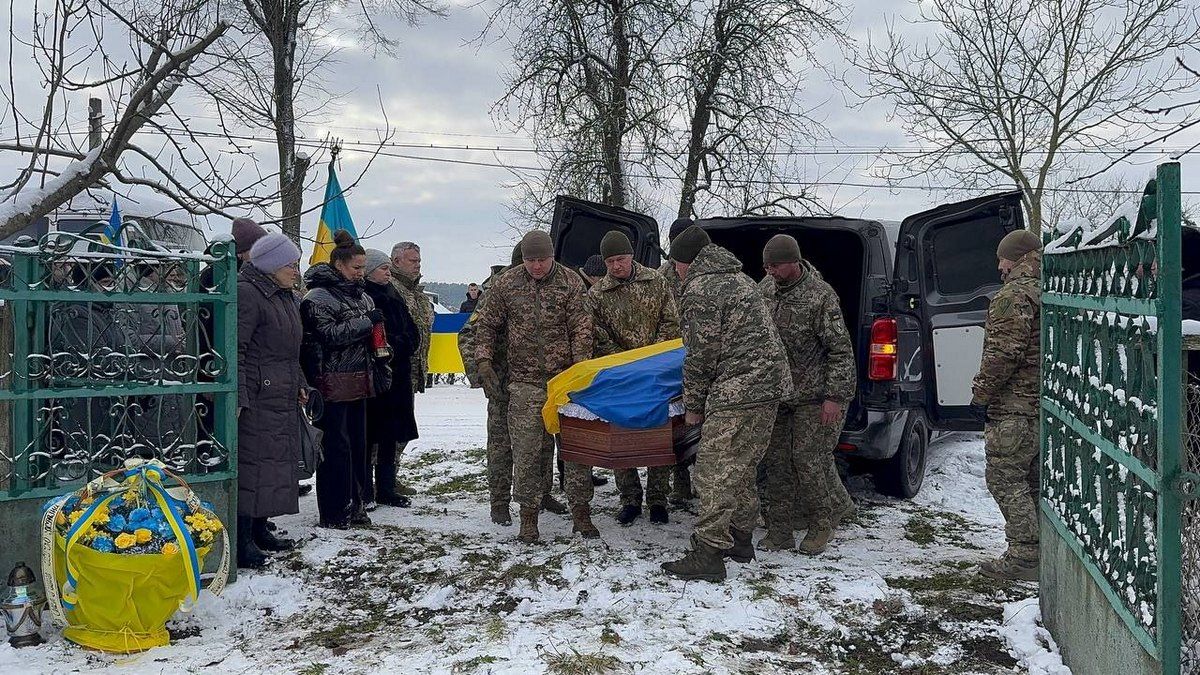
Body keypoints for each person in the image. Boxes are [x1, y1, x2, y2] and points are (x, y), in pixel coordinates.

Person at [661, 226, 791, 582]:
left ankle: (709, 552)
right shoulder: (739, 278)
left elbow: (701, 355)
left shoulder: (702, 290)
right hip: (769, 386)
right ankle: (740, 539)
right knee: (741, 465)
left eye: (676, 265)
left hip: (739, 390)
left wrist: (694, 405)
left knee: (712, 469)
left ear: (686, 262)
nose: (676, 272)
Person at [474, 231, 593, 543]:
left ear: (552, 256)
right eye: (530, 260)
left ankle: (581, 512)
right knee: (526, 452)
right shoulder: (507, 284)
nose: (536, 266)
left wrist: (581, 369)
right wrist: (483, 359)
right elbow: (486, 323)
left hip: (565, 380)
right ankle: (529, 517)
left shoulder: (570, 282)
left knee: (576, 448)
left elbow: (582, 327)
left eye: (542, 260)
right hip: (524, 382)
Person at [757, 235, 857, 555]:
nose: (770, 270)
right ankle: (780, 531)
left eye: (775, 265)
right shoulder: (766, 289)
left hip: (813, 397)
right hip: (778, 395)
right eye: (766, 266)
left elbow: (840, 351)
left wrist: (835, 397)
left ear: (794, 262)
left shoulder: (819, 296)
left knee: (808, 461)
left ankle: (820, 524)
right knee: (776, 464)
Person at [587, 231, 680, 526]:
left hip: (657, 372)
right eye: (611, 261)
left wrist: (653, 358)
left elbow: (671, 321)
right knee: (621, 436)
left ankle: (657, 499)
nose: (617, 266)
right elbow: (597, 335)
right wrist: (624, 363)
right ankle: (629, 499)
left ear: (632, 256)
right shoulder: (597, 294)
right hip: (621, 376)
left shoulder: (657, 281)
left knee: (658, 434)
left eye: (622, 259)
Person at [971, 229, 1042, 582]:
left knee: (1004, 478)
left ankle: (1026, 556)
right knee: (1032, 482)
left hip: (1015, 406)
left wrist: (980, 393)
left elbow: (1003, 354)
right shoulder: (1048, 292)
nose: (1000, 267)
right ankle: (1042, 550)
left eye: (1003, 258)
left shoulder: (1013, 296)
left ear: (1017, 259)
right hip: (1042, 406)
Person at [300, 230, 383, 529]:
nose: (361, 273)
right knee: (336, 448)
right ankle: (335, 511)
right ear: (338, 265)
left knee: (359, 446)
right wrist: (366, 323)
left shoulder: (361, 295)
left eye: (363, 267)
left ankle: (356, 504)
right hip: (331, 383)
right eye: (356, 268)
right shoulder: (317, 298)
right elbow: (329, 335)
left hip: (359, 380)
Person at [235, 233, 305, 568]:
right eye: (290, 264)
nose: (295, 270)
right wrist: (240, 396)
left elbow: (292, 352)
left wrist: (301, 382)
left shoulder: (285, 296)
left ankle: (261, 528)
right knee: (252, 466)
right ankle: (242, 539)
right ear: (272, 264)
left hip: (281, 392)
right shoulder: (248, 293)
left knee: (273, 465)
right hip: (258, 396)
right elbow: (236, 349)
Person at [460, 246, 523, 525]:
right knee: (500, 444)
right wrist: (481, 373)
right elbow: (468, 334)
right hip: (502, 381)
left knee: (541, 444)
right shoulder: (498, 293)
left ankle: (541, 494)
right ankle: (499, 501)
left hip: (536, 380)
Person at [363, 248, 420, 508]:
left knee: (391, 434)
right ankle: (366, 488)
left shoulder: (392, 293)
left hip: (399, 374)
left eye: (388, 268)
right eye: (383, 268)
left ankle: (386, 487)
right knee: (371, 435)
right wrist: (395, 345)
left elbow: (410, 328)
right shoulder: (365, 296)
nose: (388, 273)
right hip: (377, 374)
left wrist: (407, 342)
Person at [390, 241, 433, 495]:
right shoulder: (392, 289)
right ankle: (382, 478)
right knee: (393, 428)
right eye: (412, 260)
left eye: (419, 260)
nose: (418, 265)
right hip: (396, 369)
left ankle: (390, 475)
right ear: (396, 261)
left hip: (413, 369)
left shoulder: (417, 292)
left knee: (403, 428)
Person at [660, 218, 695, 505]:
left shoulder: (706, 273)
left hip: (701, 356)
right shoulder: (662, 275)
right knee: (676, 425)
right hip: (672, 360)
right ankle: (681, 484)